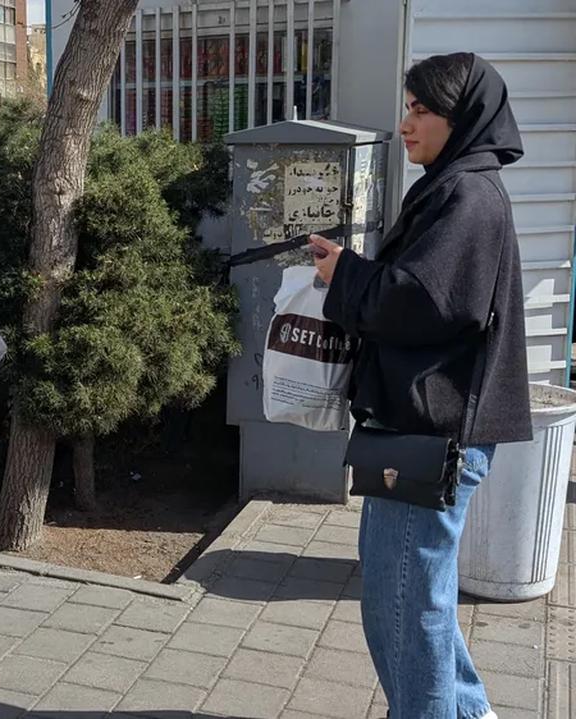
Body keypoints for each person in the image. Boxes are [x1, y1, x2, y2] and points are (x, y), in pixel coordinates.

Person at [309, 52, 530, 719]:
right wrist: (351, 272)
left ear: (463, 118)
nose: (407, 123)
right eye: (408, 106)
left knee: (406, 606)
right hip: (421, 432)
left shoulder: (468, 196)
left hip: (433, 437)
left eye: (423, 109)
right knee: (409, 597)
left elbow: (423, 303)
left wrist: (346, 276)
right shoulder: (454, 187)